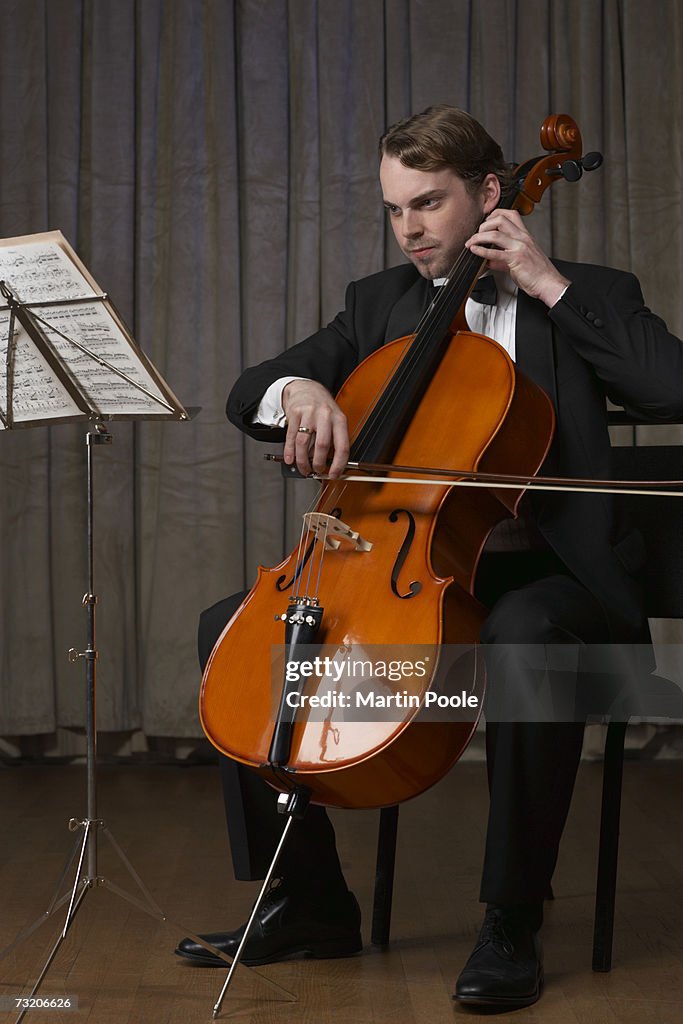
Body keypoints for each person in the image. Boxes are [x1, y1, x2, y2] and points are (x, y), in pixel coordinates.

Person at [175, 105, 683, 1008]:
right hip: (414, 578)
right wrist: (303, 394)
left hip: (555, 582)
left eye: (430, 203)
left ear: (491, 195)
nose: (409, 228)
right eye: (394, 208)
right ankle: (308, 904)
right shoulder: (379, 306)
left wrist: (545, 282)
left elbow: (668, 384)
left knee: (528, 638)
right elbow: (248, 391)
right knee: (236, 629)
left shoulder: (588, 291)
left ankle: (510, 919)